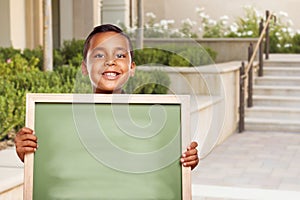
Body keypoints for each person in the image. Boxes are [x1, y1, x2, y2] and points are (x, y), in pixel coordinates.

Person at [14, 24, 199, 170]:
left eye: (119, 55)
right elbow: (55, 166)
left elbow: (160, 167)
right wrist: (28, 155)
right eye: (99, 55)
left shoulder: (154, 118)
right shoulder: (64, 119)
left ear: (132, 68)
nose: (110, 61)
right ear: (84, 68)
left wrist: (184, 161)